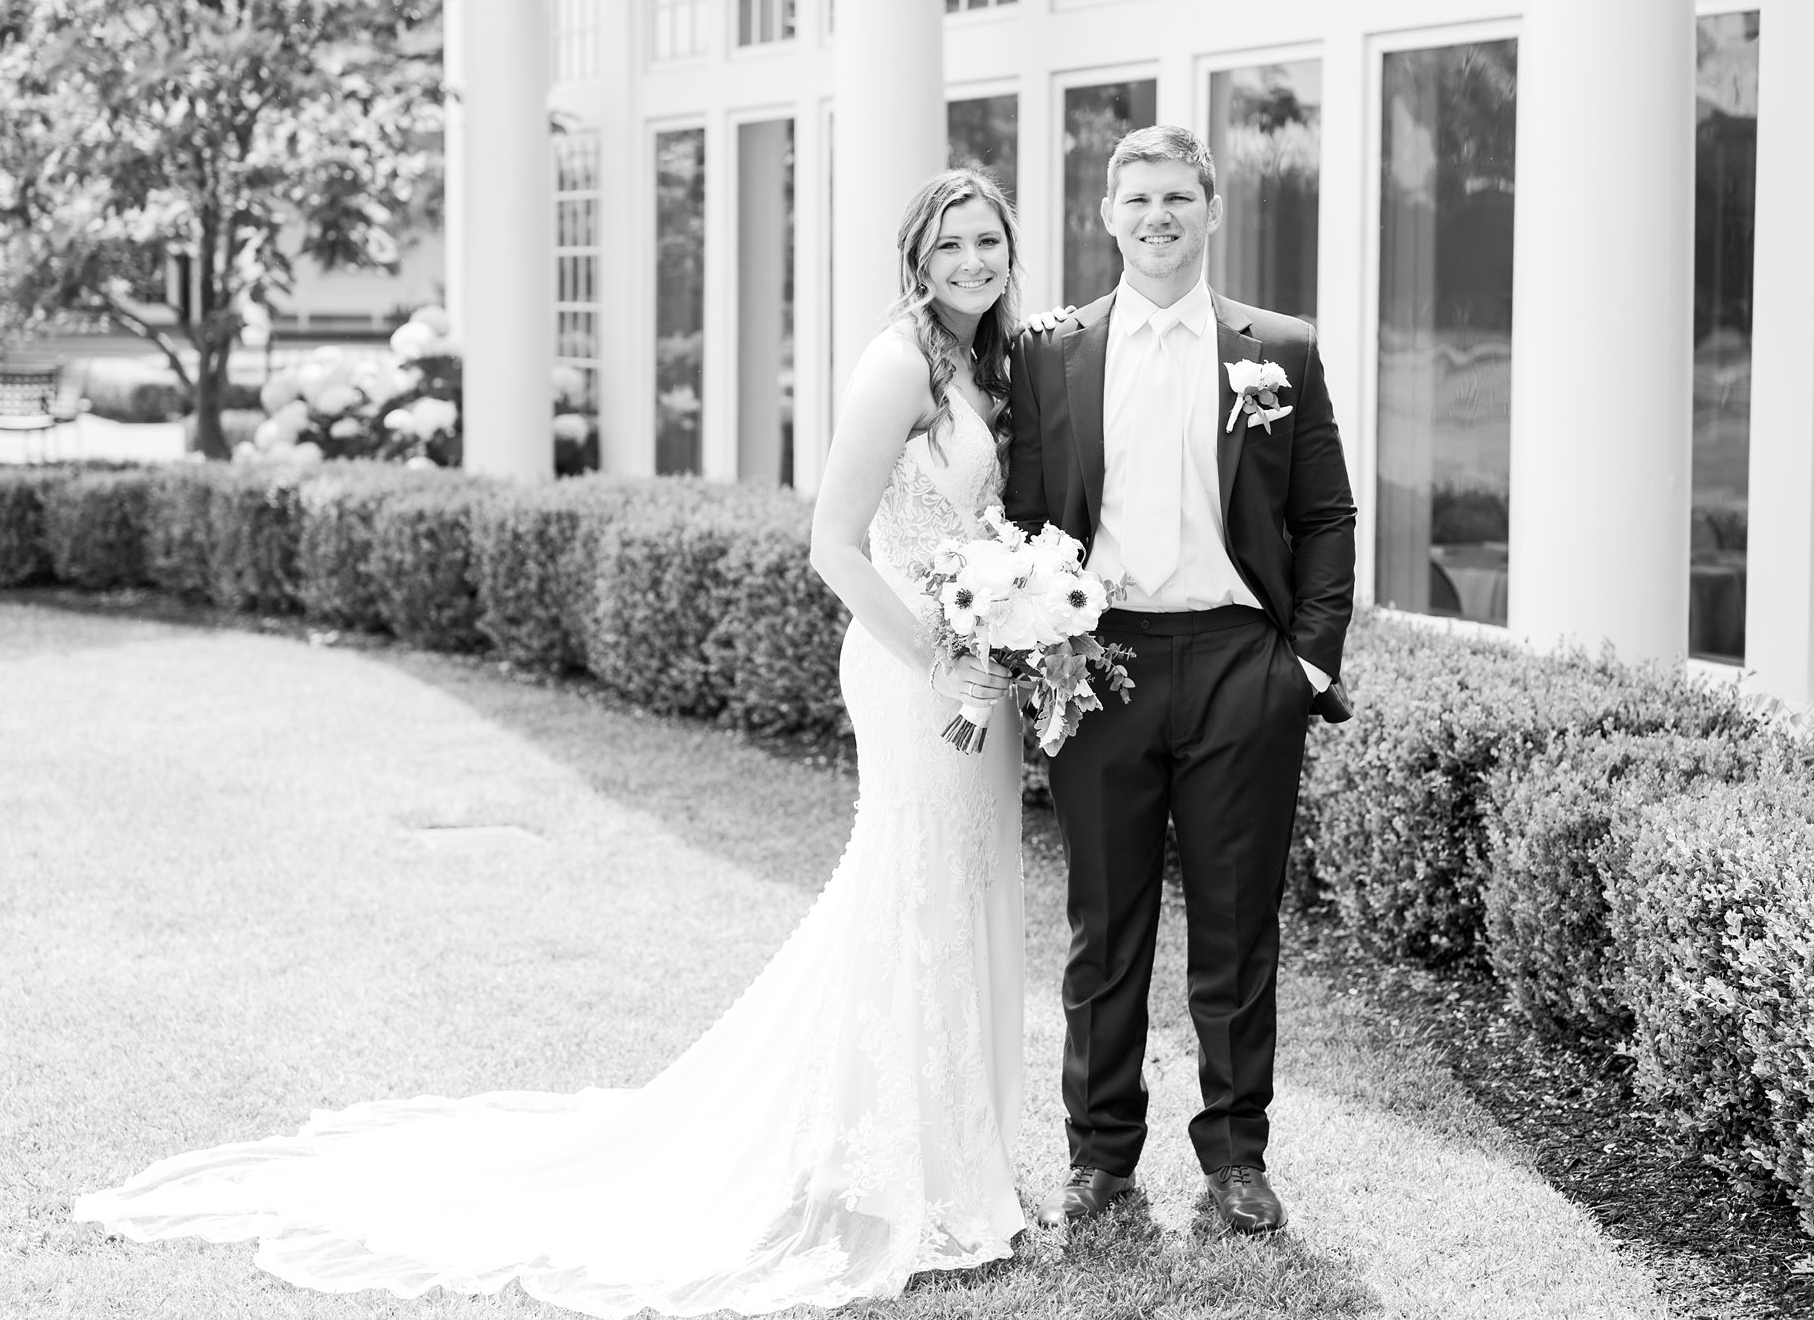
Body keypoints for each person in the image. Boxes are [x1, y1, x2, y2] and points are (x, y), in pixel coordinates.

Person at [72, 169, 1032, 1313]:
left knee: (960, 893)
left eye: (991, 240)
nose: (975, 258)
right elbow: (833, 541)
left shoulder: (985, 367)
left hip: (984, 671)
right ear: (918, 260)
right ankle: (886, 1166)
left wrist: (1011, 624)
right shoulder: (896, 365)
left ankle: (956, 1155)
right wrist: (937, 651)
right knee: (910, 894)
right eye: (954, 243)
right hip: (915, 664)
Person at [1004, 125, 1355, 1236]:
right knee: (1106, 928)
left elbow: (1326, 514)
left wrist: (1303, 662)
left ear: (1210, 214)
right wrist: (1031, 646)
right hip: (1098, 665)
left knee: (1238, 928)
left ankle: (1236, 1157)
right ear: (1107, 217)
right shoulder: (1050, 351)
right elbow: (1021, 516)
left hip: (1239, 666)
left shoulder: (1279, 349)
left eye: (1178, 199)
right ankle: (1101, 1157)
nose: (1157, 217)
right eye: (1137, 199)